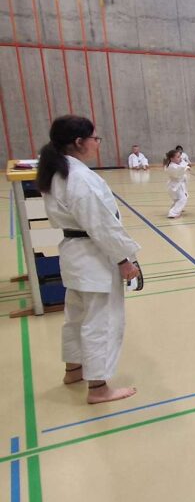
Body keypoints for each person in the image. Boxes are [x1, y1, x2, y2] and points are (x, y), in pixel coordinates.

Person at [38, 115, 141, 404]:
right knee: (102, 321)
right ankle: (98, 388)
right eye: (95, 138)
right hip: (93, 255)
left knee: (77, 316)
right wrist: (123, 259)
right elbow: (101, 224)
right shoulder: (79, 177)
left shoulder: (57, 171)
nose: (98, 143)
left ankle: (74, 369)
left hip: (75, 253)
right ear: (79, 142)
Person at [164, 148, 189, 219]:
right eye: (178, 157)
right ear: (172, 159)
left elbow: (182, 166)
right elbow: (180, 170)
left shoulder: (173, 164)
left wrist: (186, 166)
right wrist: (186, 167)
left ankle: (175, 209)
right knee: (183, 198)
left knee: (178, 199)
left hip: (174, 186)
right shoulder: (172, 167)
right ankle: (173, 213)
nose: (180, 158)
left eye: (180, 156)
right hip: (176, 186)